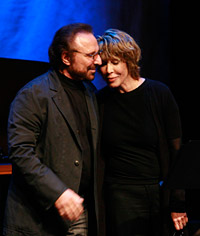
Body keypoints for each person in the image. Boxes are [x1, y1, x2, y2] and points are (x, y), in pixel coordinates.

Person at [3, 23, 102, 236]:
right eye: (91, 55)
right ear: (66, 57)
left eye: (98, 54)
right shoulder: (33, 95)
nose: (99, 61)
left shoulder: (90, 92)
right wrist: (58, 193)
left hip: (78, 214)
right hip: (38, 218)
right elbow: (21, 153)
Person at [96, 29, 188, 236]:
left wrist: (178, 202)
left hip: (158, 192)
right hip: (119, 195)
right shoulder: (100, 101)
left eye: (115, 62)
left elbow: (176, 153)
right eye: (102, 64)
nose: (108, 70)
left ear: (129, 59)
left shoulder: (159, 93)